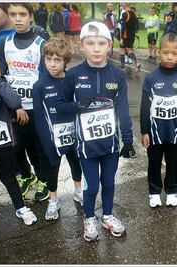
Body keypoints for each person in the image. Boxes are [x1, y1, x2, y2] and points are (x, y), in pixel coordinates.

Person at [55, 21, 135, 242]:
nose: (97, 48)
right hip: (86, 147)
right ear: (81, 45)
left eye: (101, 43)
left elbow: (123, 109)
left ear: (110, 46)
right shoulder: (73, 74)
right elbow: (60, 107)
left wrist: (127, 141)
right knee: (91, 188)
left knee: (109, 184)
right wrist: (76, 106)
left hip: (109, 145)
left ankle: (107, 215)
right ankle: (89, 217)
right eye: (91, 43)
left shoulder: (118, 75)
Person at [0, 2, 50, 202]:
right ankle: (27, 176)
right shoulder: (4, 43)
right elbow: (0, 75)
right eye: (13, 14)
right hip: (13, 107)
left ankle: (43, 179)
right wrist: (15, 104)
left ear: (31, 16)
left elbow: (46, 77)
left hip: (36, 107)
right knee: (16, 148)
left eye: (22, 14)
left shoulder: (40, 44)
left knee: (39, 147)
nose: (18, 19)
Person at [32, 38, 83, 221]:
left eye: (58, 60)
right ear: (43, 60)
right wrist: (47, 143)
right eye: (48, 59)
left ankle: (78, 190)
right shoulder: (39, 86)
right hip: (52, 139)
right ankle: (53, 199)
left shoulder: (73, 81)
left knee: (76, 164)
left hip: (73, 135)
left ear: (66, 62)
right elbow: (39, 118)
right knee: (52, 168)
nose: (52, 64)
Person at [0, 51, 38, 233]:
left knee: (8, 177)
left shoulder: (0, 85)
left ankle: (20, 207)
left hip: (2, 145)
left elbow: (15, 101)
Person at [140, 33, 177, 208]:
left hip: (174, 133)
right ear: (159, 52)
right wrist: (144, 131)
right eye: (165, 52)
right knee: (154, 163)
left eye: (174, 53)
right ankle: (154, 192)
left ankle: (171, 191)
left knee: (172, 162)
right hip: (154, 133)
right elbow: (145, 107)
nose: (169, 57)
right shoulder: (151, 78)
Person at [119, 2, 141, 73]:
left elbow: (123, 26)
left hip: (125, 35)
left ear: (124, 4)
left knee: (122, 50)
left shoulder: (124, 14)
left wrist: (121, 38)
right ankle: (136, 63)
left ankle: (122, 68)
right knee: (129, 51)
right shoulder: (134, 13)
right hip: (132, 35)